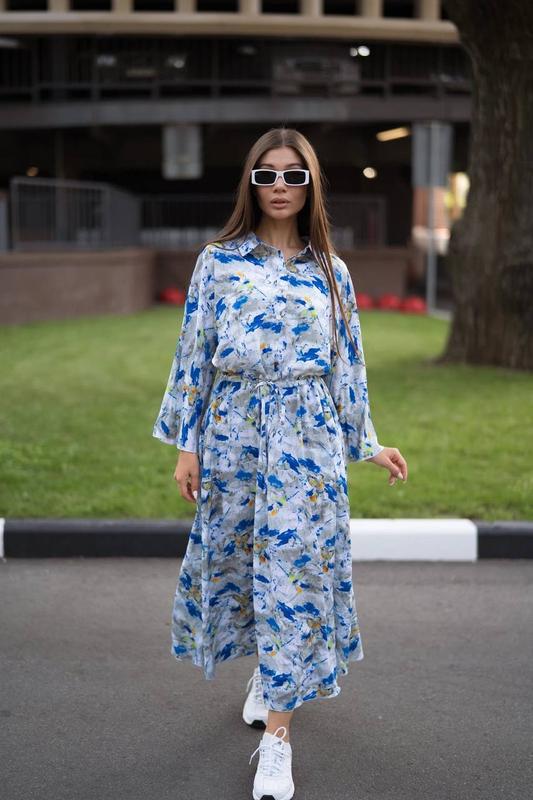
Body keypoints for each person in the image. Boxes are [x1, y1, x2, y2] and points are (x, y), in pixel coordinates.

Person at [152, 127, 408, 800]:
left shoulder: (331, 271)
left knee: (294, 577)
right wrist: (187, 443)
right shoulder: (217, 262)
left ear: (312, 184)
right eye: (266, 174)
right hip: (233, 434)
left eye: (295, 175)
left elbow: (348, 366)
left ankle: (277, 740)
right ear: (250, 183)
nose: (280, 187)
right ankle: (269, 678)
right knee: (243, 568)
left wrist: (369, 442)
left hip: (306, 440)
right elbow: (193, 355)